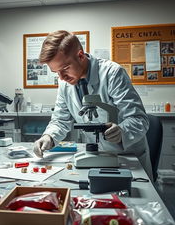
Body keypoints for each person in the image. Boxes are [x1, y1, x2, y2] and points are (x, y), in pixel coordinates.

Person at [33, 30, 152, 180]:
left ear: (80, 56)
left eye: (64, 69)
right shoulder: (65, 84)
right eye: (56, 72)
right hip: (94, 156)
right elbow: (60, 120)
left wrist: (122, 131)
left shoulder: (112, 73)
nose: (61, 78)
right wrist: (49, 136)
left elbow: (139, 119)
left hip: (127, 157)